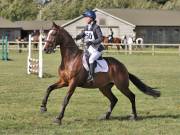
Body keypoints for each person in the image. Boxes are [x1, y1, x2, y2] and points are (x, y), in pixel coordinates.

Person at [75, 10, 104, 81]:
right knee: (82, 57)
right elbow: (83, 34)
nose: (85, 19)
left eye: (86, 17)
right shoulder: (87, 27)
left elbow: (101, 38)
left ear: (91, 18)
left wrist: (91, 42)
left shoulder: (96, 27)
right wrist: (77, 37)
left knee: (91, 59)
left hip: (97, 49)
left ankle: (91, 76)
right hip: (90, 48)